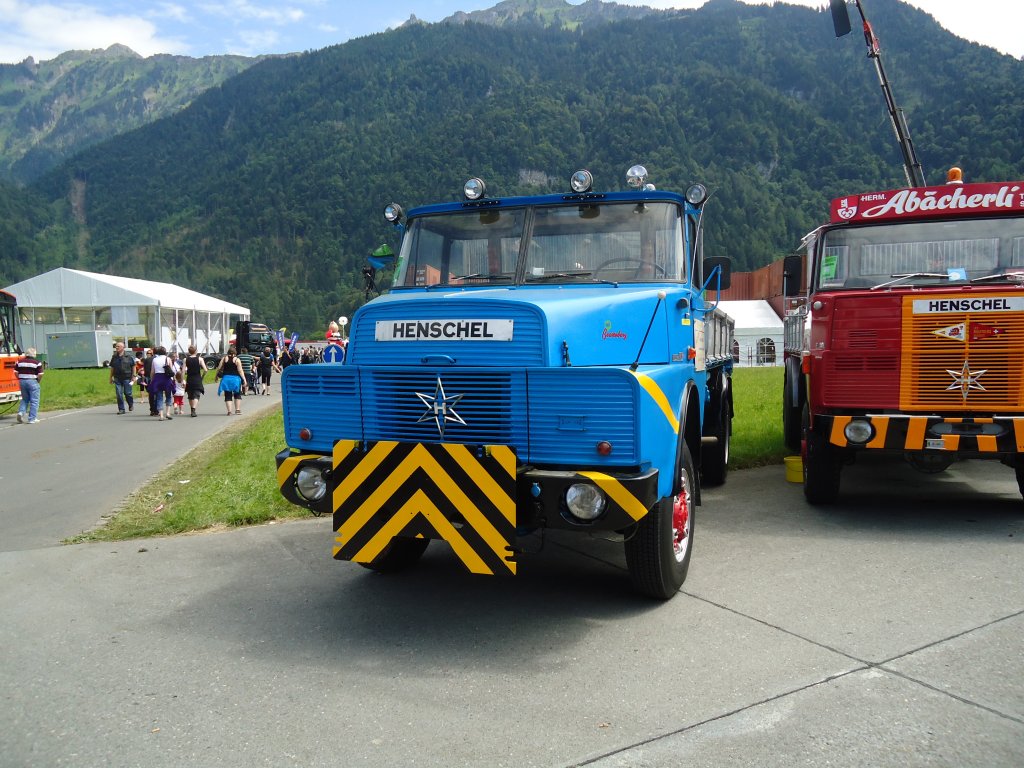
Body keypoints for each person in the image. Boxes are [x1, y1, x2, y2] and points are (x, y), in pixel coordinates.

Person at [15, 347, 44, 424]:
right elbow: (40, 374)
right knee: (34, 401)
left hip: (22, 381)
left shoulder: (19, 362)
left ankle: (21, 412)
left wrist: (19, 378)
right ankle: (32, 418)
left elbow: (15, 372)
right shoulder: (37, 362)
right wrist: (38, 381)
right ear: (34, 354)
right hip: (32, 381)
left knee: (25, 399)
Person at [149, 345, 176, 421]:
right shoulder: (168, 359)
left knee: (159, 397)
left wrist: (152, 380)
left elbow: (152, 371)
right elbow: (171, 370)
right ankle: (168, 413)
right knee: (168, 396)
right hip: (166, 378)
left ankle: (161, 415)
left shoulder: (154, 360)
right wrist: (173, 379)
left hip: (157, 378)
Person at [216, 346, 245, 415]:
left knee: (228, 395)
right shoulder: (237, 360)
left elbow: (219, 368)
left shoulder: (224, 358)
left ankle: (229, 412)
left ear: (228, 352)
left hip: (226, 379)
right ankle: (237, 410)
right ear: (235, 352)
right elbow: (240, 370)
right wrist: (244, 379)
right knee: (237, 394)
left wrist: (216, 376)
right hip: (236, 379)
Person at [108, 341, 135, 414]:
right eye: (116, 346)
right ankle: (121, 409)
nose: (116, 347)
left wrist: (134, 376)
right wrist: (110, 377)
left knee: (128, 393)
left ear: (123, 347)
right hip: (117, 378)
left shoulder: (129, 356)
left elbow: (133, 366)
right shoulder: (114, 357)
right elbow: (112, 368)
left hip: (127, 377)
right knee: (119, 394)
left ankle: (130, 404)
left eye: (118, 346)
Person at [184, 345, 207, 417]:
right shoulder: (200, 359)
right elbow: (205, 370)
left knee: (190, 395)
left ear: (189, 352)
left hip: (189, 378)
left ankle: (192, 409)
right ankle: (193, 409)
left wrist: (182, 380)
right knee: (196, 394)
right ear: (196, 351)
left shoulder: (186, 359)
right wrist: (202, 377)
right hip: (197, 378)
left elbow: (183, 371)